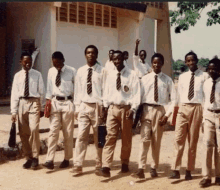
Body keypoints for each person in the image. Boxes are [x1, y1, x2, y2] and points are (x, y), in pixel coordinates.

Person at [131, 53, 176, 179]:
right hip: (146, 110)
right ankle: (141, 168)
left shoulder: (167, 80)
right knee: (144, 139)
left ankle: (154, 167)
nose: (156, 65)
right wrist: (136, 114)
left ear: (162, 63)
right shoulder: (144, 79)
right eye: (154, 63)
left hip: (160, 112)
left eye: (159, 62)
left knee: (156, 141)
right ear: (152, 63)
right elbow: (138, 97)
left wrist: (167, 115)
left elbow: (174, 99)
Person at [97, 50, 140, 177]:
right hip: (112, 109)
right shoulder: (109, 74)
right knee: (110, 137)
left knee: (126, 137)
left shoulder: (132, 74)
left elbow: (136, 94)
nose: (116, 61)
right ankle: (106, 166)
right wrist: (104, 108)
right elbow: (106, 92)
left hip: (126, 109)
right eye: (114, 59)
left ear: (123, 59)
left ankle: (125, 162)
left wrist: (133, 109)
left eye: (119, 59)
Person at [169, 51, 209, 180]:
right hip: (183, 107)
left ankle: (189, 170)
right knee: (178, 139)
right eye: (188, 61)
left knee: (192, 141)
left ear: (196, 61)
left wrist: (204, 116)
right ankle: (175, 169)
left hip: (197, 108)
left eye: (193, 60)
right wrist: (174, 113)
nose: (191, 63)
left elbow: (206, 96)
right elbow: (178, 95)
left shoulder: (205, 76)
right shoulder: (183, 77)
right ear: (185, 62)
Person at [73, 45, 105, 174]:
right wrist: (77, 107)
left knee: (99, 136)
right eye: (88, 53)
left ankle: (99, 162)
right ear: (85, 55)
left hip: (98, 107)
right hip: (84, 106)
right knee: (81, 135)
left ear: (97, 55)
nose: (90, 55)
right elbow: (77, 90)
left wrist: (104, 108)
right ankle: (78, 164)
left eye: (93, 53)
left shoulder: (103, 71)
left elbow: (105, 90)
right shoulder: (80, 71)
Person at [11, 52, 45, 169]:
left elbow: (41, 91)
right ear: (21, 62)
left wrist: (42, 107)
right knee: (23, 132)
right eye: (25, 62)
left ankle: (36, 157)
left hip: (34, 102)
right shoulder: (17, 76)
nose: (28, 64)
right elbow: (14, 94)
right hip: (22, 103)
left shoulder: (37, 74)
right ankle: (28, 158)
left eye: (30, 62)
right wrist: (13, 111)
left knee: (34, 129)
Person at [43, 51, 76, 170]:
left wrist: (76, 106)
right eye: (54, 63)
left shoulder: (72, 71)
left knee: (68, 133)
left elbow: (77, 89)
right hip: (55, 103)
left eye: (58, 63)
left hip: (67, 103)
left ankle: (67, 159)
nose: (56, 66)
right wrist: (47, 102)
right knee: (53, 132)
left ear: (63, 60)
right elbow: (49, 88)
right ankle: (49, 160)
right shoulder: (51, 71)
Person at [199, 57, 220, 187]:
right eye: (210, 68)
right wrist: (203, 118)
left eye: (215, 69)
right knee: (207, 146)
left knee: (219, 149)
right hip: (208, 116)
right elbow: (204, 101)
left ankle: (218, 176)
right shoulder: (206, 83)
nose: (212, 71)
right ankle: (206, 176)